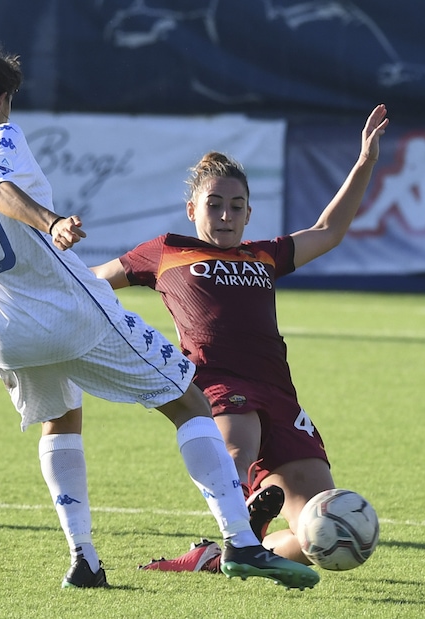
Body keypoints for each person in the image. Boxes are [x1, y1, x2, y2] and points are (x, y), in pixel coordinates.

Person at [0, 40, 321, 590]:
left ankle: (84, 559)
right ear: (3, 97)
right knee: (188, 401)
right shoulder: (0, 136)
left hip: (2, 331)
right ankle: (242, 543)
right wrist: (50, 219)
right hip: (71, 310)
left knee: (60, 420)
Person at [91, 104, 389, 572]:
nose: (225, 215)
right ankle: (237, 530)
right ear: (192, 209)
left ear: (249, 213)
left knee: (319, 528)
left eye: (235, 207)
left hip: (280, 393)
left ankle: (221, 554)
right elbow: (92, 281)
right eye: (214, 204)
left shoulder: (263, 256)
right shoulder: (166, 251)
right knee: (235, 452)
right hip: (217, 380)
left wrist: (365, 161)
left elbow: (328, 231)